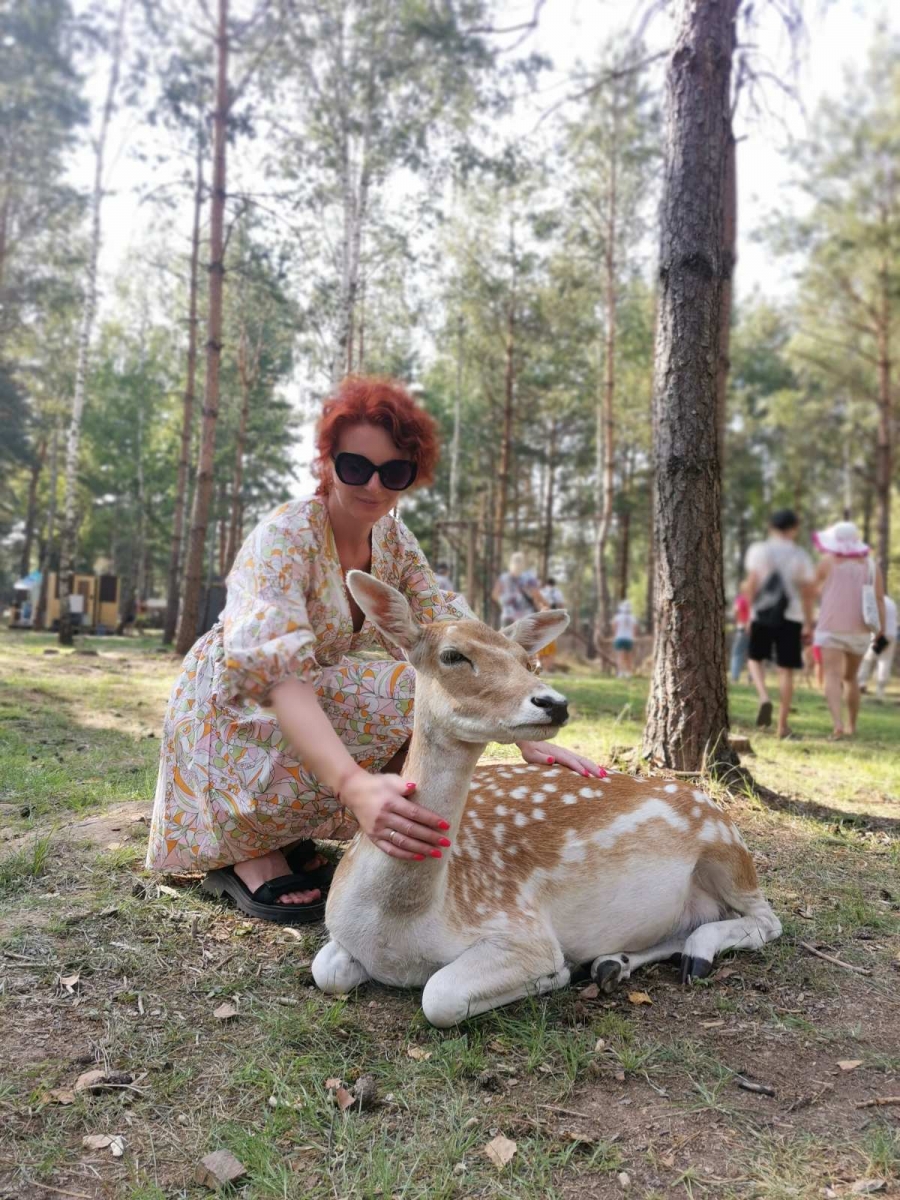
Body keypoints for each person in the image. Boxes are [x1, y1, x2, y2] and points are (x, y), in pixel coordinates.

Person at [146, 376, 604, 923]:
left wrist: (518, 721)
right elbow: (277, 677)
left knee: (421, 683)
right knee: (387, 691)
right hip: (233, 698)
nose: (374, 485)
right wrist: (351, 783)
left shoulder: (394, 541)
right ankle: (247, 849)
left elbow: (454, 638)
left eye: (394, 472)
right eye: (355, 466)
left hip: (308, 684)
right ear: (327, 463)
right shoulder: (285, 536)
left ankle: (346, 829)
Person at [742, 509, 815, 739]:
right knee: (786, 670)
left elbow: (752, 584)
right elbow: (808, 593)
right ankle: (782, 727)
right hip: (791, 616)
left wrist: (749, 614)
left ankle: (764, 697)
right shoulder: (800, 555)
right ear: (794, 529)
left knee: (754, 658)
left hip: (762, 614)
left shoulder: (758, 550)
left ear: (771, 527)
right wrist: (808, 623)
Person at [812, 521, 886, 739]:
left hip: (830, 628)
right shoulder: (871, 565)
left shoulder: (827, 562)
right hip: (860, 630)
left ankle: (838, 724)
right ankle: (852, 725)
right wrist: (880, 628)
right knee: (851, 677)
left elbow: (811, 590)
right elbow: (879, 599)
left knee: (832, 675)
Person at [858, 594, 897, 702]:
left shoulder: (875, 601)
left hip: (879, 634)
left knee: (868, 659)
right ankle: (880, 689)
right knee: (885, 660)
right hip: (891, 634)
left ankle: (861, 682)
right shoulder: (891, 602)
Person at [492, 552, 544, 627]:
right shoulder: (529, 577)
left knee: (507, 634)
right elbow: (536, 595)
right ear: (523, 564)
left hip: (509, 616)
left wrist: (504, 603)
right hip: (525, 617)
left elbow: (495, 595)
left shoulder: (503, 577)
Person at [538, 577, 566, 670]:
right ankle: (548, 667)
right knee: (551, 645)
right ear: (554, 584)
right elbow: (561, 605)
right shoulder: (557, 592)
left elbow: (538, 603)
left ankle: (540, 665)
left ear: (546, 584)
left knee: (540, 643)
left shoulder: (542, 591)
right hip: (553, 619)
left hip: (542, 617)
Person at [611, 600, 636, 678]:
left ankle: (621, 672)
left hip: (619, 638)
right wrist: (633, 636)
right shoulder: (632, 617)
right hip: (628, 638)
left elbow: (614, 626)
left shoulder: (617, 617)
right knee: (628, 656)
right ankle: (628, 672)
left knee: (620, 656)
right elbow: (634, 628)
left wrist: (615, 634)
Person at [730, 591, 751, 683]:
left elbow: (736, 610)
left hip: (742, 628)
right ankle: (751, 678)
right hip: (755, 629)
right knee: (752, 655)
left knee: (737, 653)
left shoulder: (741, 599)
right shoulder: (756, 598)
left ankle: (735, 678)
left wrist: (737, 621)